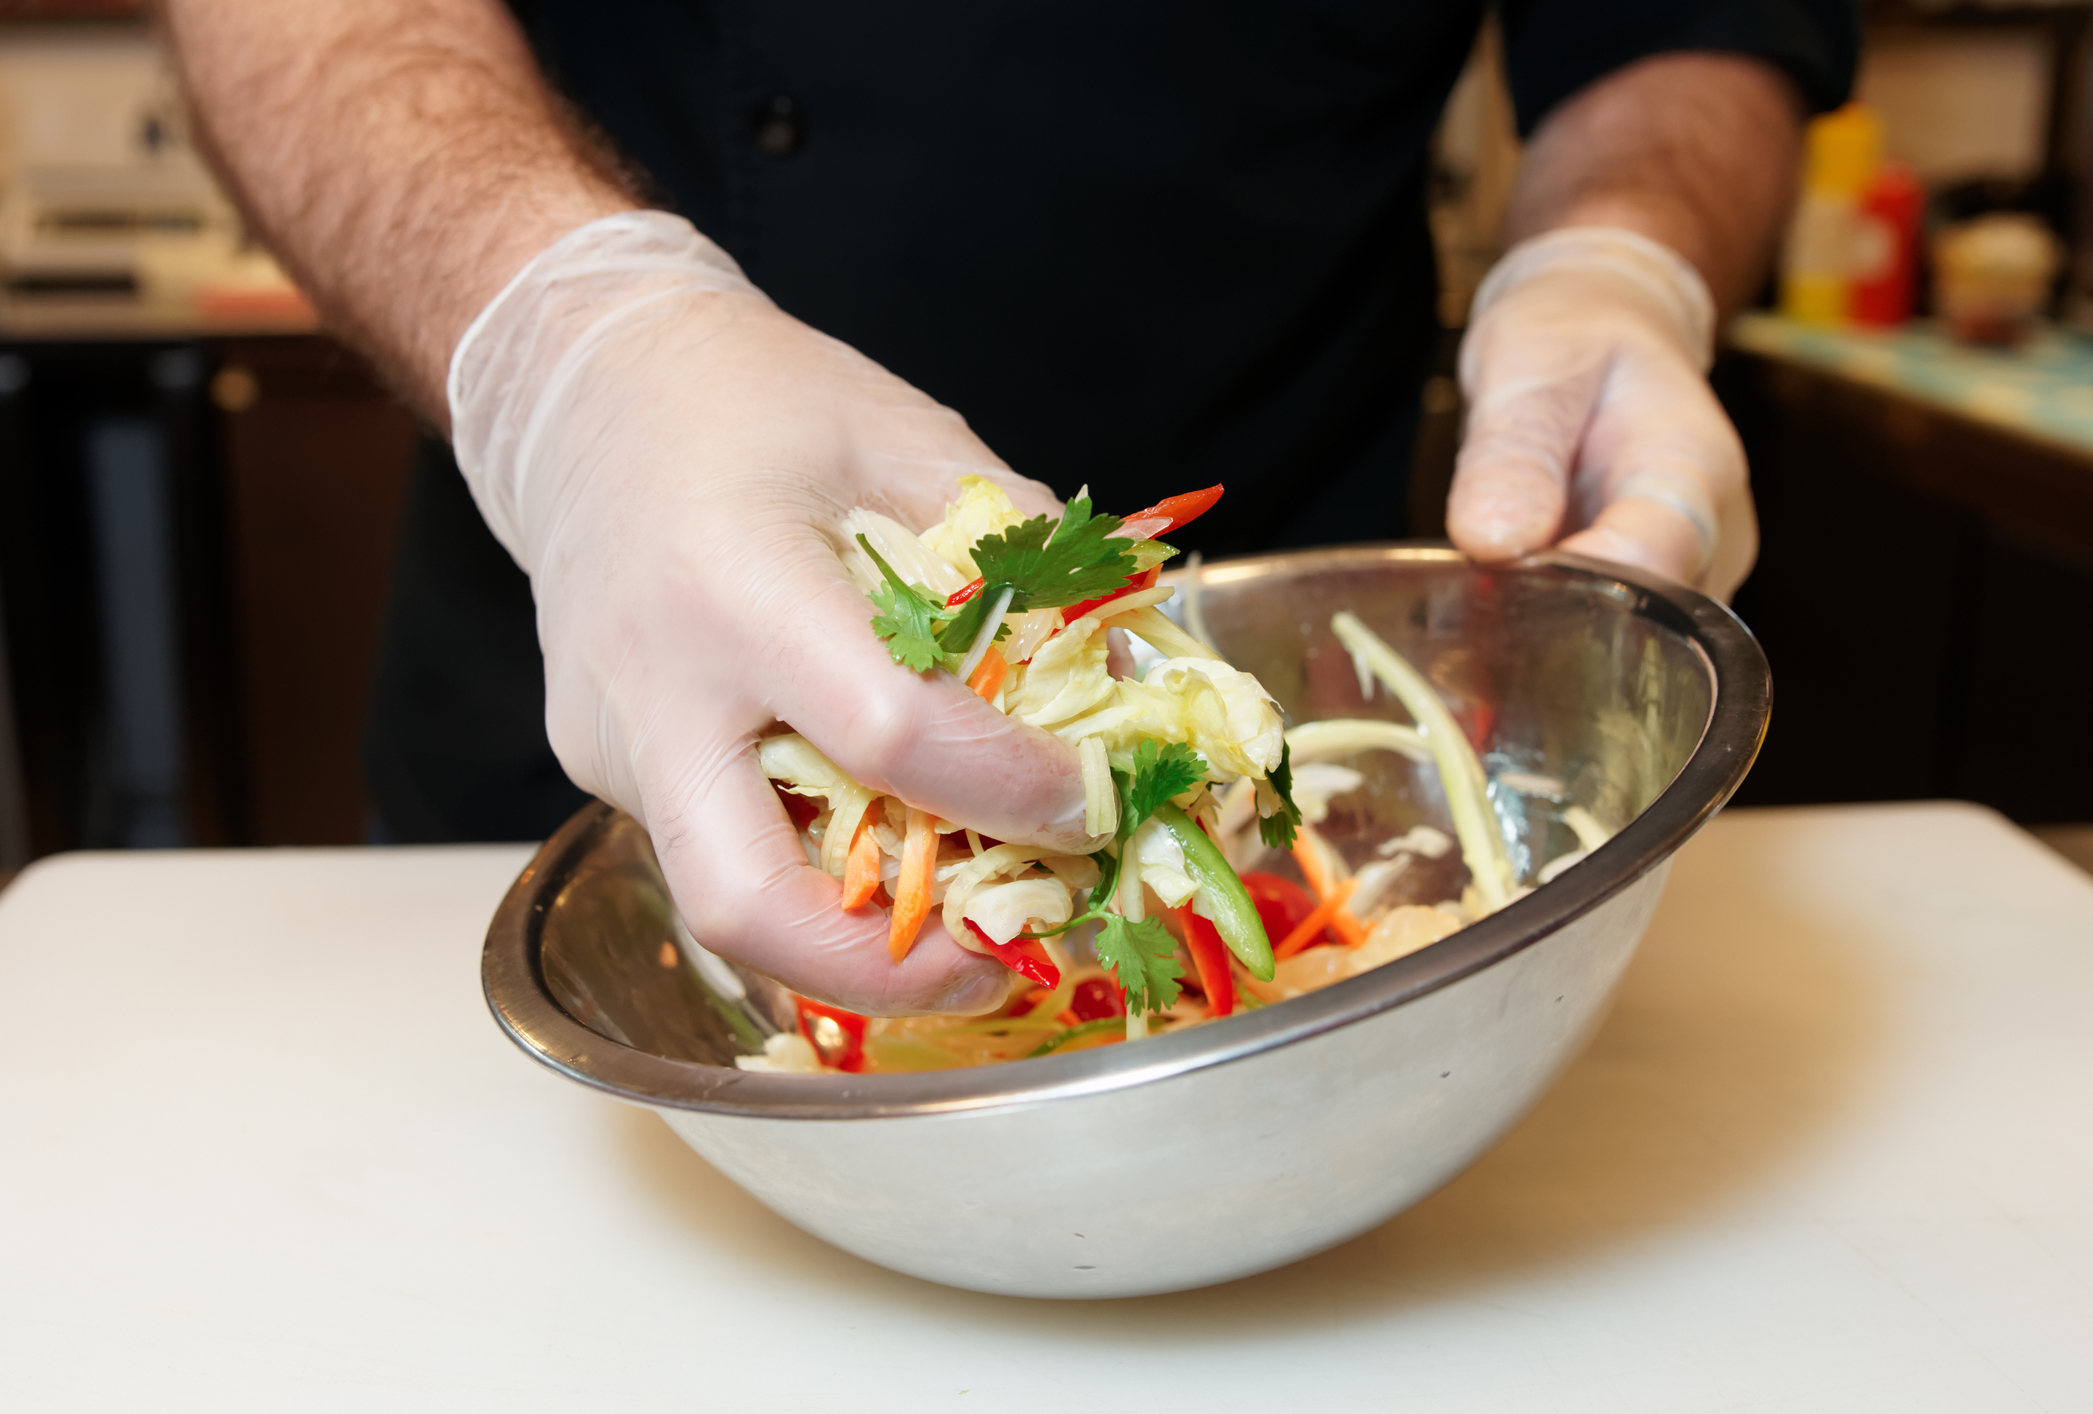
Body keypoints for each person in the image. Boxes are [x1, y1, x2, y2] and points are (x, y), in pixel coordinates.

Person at [165, 0, 1854, 1014]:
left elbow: (1680, 20)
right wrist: (571, 341)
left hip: (1291, 740)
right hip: (574, 668)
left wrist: (1623, 253)